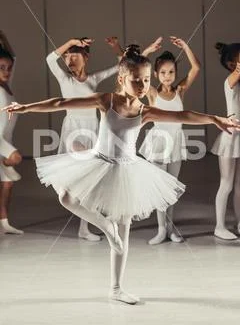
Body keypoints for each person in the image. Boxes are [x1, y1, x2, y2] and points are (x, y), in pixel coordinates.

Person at [2, 45, 238, 304]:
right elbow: (60, 103)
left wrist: (215, 119)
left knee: (123, 230)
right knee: (67, 197)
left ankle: (116, 288)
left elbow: (182, 115)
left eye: (146, 80)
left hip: (128, 170)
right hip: (98, 161)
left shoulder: (144, 111)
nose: (142, 85)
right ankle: (104, 226)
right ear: (122, 79)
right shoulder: (107, 100)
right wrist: (24, 108)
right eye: (136, 80)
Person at [46, 36, 123, 241]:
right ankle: (74, 207)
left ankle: (84, 227)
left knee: (89, 180)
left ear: (86, 58)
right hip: (73, 129)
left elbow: (121, 65)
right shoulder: (65, 79)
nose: (70, 61)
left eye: (74, 56)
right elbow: (49, 59)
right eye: (67, 57)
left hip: (92, 128)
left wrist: (116, 47)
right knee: (78, 175)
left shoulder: (93, 80)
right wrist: (71, 41)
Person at [140, 36, 200, 244]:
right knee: (160, 188)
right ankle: (160, 230)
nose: (167, 76)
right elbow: (136, 70)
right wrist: (147, 50)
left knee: (172, 188)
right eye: (163, 72)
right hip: (158, 143)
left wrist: (185, 46)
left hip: (175, 142)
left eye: (171, 72)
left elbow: (196, 68)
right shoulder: (152, 92)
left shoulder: (179, 91)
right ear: (155, 74)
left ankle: (171, 228)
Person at [211, 42, 240, 240]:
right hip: (231, 136)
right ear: (231, 64)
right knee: (226, 183)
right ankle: (219, 226)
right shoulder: (230, 79)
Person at [0, 30, 23, 235]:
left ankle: (4, 222)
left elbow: (13, 57)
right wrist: (8, 153)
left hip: (6, 139)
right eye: (1, 68)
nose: (6, 72)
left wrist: (3, 37)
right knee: (14, 160)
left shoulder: (7, 86)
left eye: (8, 69)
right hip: (0, 141)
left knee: (7, 183)